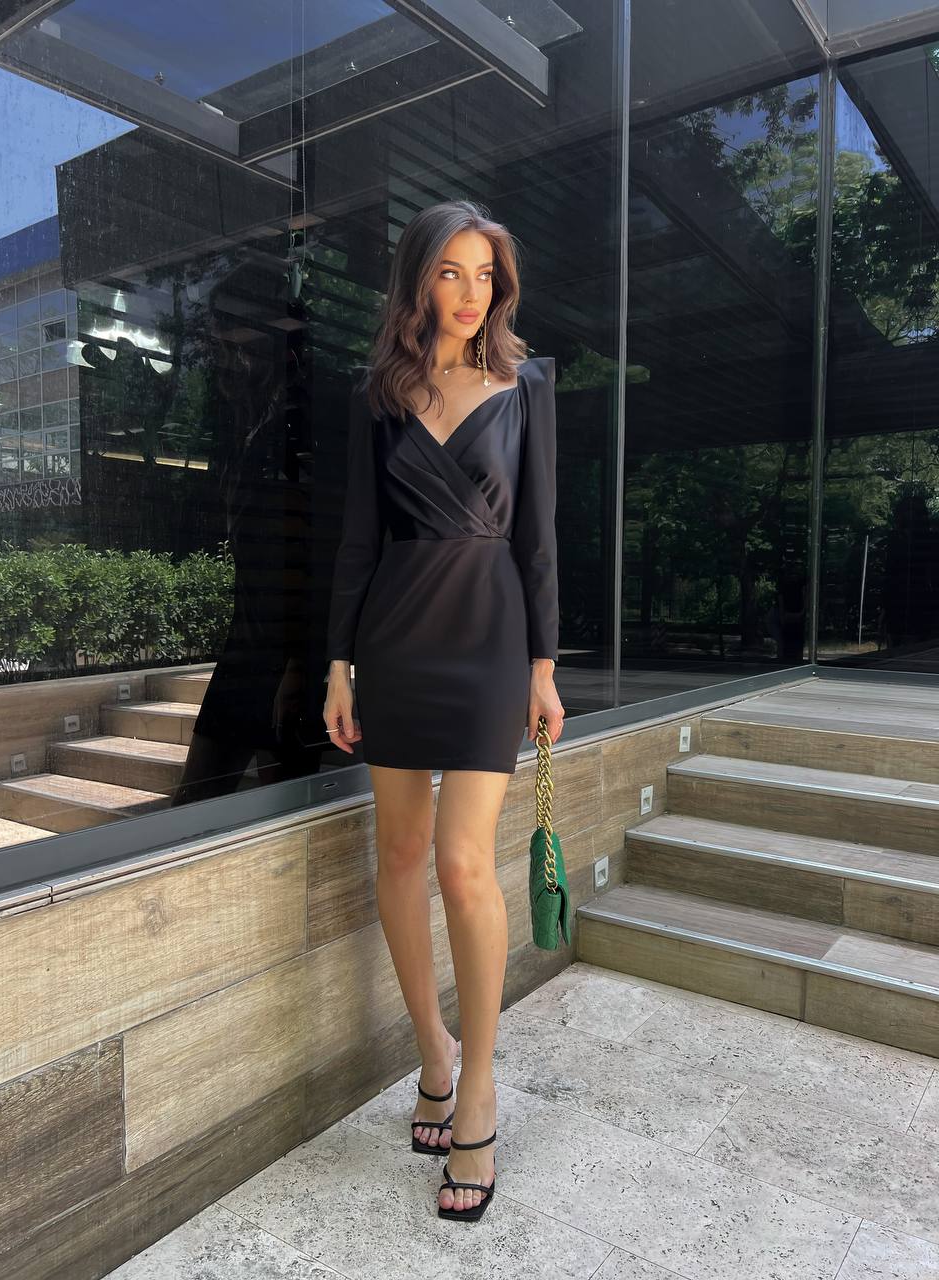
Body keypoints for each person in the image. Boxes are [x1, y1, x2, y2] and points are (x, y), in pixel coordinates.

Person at [322, 199, 564, 1222]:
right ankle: (432, 1048)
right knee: (399, 857)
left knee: (466, 865)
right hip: (395, 640)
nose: (470, 295)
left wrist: (544, 667)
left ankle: (478, 1085)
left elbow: (541, 538)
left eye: (485, 276)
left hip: (489, 643)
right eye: (451, 274)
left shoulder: (527, 384)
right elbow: (356, 539)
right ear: (419, 280)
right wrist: (338, 662)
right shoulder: (379, 393)